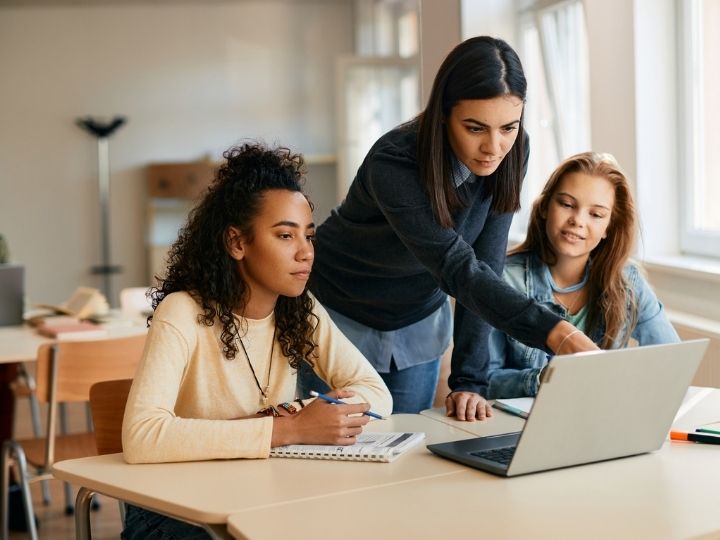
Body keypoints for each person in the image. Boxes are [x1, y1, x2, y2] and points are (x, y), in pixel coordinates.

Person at [298, 35, 597, 420]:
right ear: (443, 114)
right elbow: (455, 266)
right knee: (330, 460)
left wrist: (470, 381)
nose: (494, 147)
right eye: (475, 128)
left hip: (417, 321)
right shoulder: (393, 163)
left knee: (403, 459)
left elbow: (484, 265)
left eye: (508, 126)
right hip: (338, 314)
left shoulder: (512, 149)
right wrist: (558, 332)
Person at [121, 142, 392, 539]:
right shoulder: (182, 311)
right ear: (237, 243)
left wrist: (287, 418)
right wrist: (292, 429)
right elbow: (142, 436)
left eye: (309, 236)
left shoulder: (300, 309)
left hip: (261, 495)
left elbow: (377, 395)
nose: (305, 253)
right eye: (285, 235)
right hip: (175, 509)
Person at [486, 152, 680, 398]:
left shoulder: (627, 280)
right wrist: (544, 379)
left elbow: (671, 359)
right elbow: (483, 382)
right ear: (545, 206)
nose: (577, 220)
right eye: (566, 204)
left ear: (609, 227)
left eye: (596, 214)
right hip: (521, 425)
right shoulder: (501, 279)